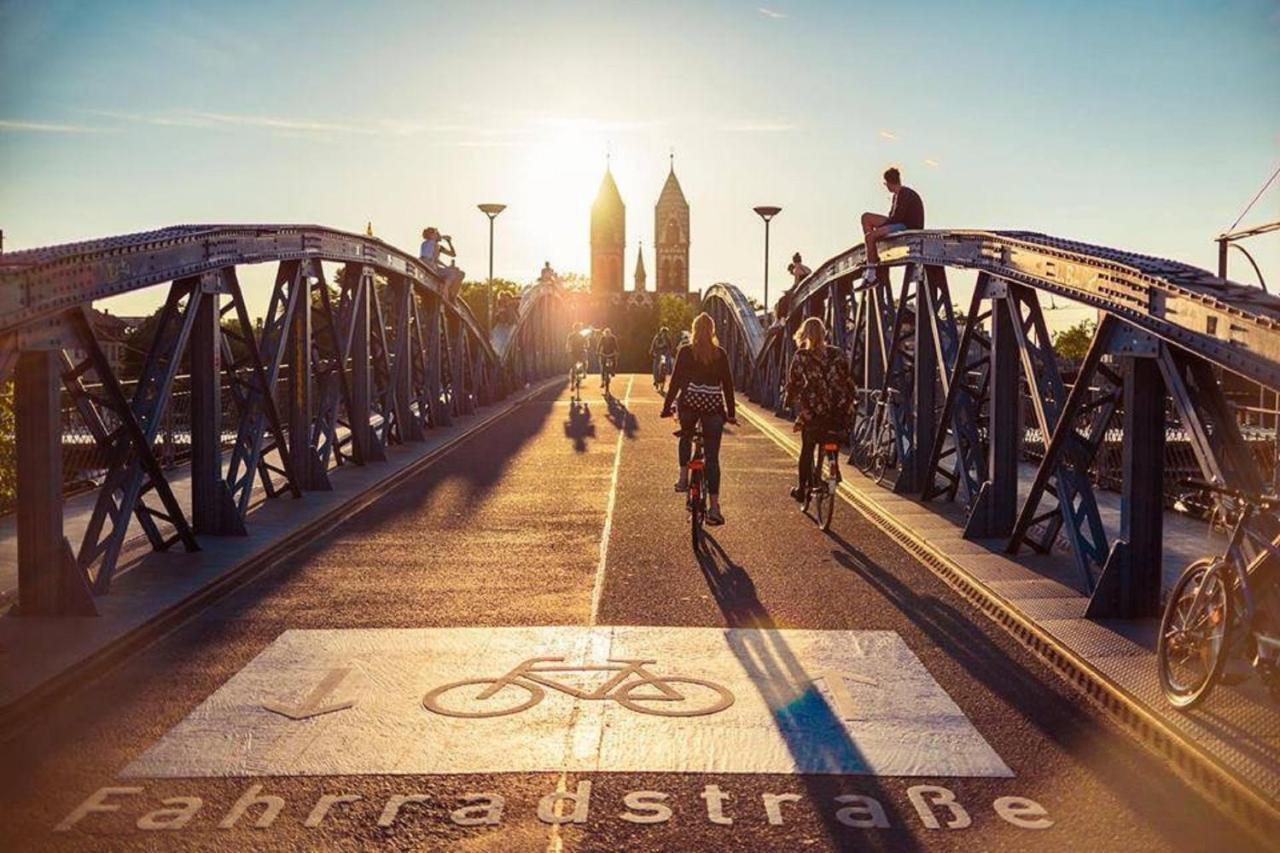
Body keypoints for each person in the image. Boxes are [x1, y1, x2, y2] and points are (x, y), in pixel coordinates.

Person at [661, 313, 737, 525]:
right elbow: (728, 386)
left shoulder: (685, 352)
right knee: (712, 458)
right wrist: (730, 413)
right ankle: (714, 508)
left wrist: (667, 408)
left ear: (694, 330)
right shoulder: (719, 354)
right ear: (712, 330)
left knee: (686, 436)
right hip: (713, 409)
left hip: (689, 406)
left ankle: (683, 478)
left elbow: (675, 382)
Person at [783, 317, 857, 503]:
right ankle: (834, 466)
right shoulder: (838, 354)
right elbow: (848, 379)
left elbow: (794, 384)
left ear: (804, 334)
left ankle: (801, 490)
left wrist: (789, 402)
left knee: (807, 449)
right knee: (832, 437)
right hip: (839, 412)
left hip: (815, 412)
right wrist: (849, 403)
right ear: (824, 333)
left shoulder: (802, 356)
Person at [860, 167, 924, 282]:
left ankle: (871, 274)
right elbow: (893, 217)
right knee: (866, 217)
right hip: (899, 223)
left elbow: (897, 218)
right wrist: (881, 228)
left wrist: (879, 229)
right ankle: (872, 254)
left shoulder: (904, 193)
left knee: (869, 237)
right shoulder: (897, 195)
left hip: (907, 226)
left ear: (889, 183)